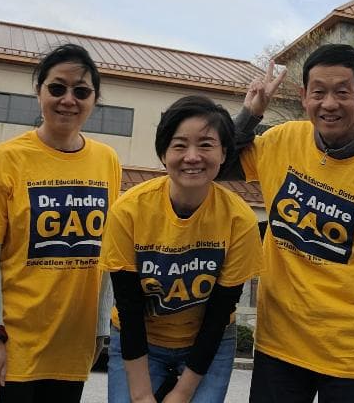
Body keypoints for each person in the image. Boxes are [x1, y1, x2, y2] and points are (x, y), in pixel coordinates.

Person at [232, 43, 354, 403]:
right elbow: (218, 164)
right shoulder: (282, 140)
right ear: (304, 97)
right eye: (318, 92)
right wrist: (251, 113)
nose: (329, 104)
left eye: (342, 92)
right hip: (280, 344)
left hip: (353, 355)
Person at [0, 44, 121, 403]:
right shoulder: (2, 161)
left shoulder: (107, 160)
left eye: (81, 92)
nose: (68, 100)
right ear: (39, 91)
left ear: (94, 99)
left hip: (70, 348)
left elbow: (105, 253)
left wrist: (100, 329)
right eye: (57, 88)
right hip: (10, 348)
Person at [100, 95, 262, 403]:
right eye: (179, 145)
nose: (192, 156)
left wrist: (183, 392)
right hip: (140, 337)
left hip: (209, 343)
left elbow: (219, 312)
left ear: (223, 152)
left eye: (205, 144)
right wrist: (142, 394)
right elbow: (129, 307)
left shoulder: (239, 220)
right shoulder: (128, 211)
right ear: (163, 153)